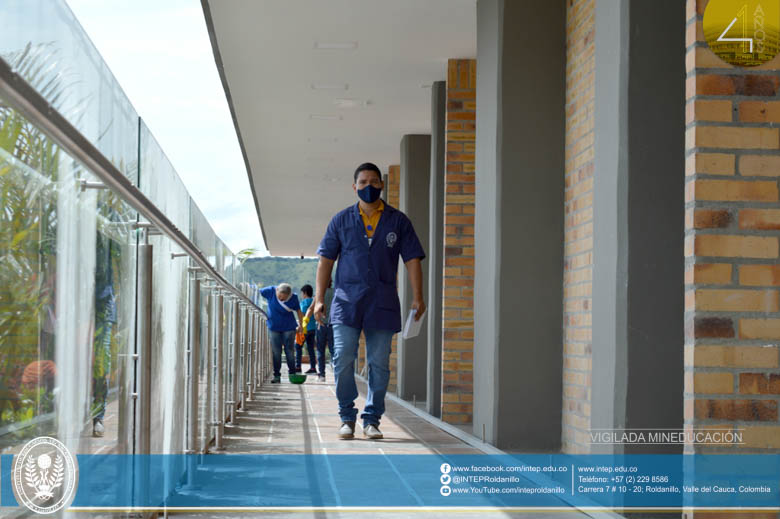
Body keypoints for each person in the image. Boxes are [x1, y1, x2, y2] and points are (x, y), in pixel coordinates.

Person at [314, 162, 426, 440]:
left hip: (383, 300)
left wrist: (418, 296)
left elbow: (412, 258)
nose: (369, 186)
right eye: (363, 182)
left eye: (374, 181)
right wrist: (319, 299)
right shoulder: (340, 220)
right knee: (342, 358)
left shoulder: (398, 221)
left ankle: (372, 418)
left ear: (382, 185)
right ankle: (346, 416)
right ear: (354, 187)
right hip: (345, 301)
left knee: (379, 363)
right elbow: (325, 260)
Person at [260, 283, 304, 383]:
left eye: (284, 299)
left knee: (290, 351)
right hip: (273, 327)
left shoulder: (293, 297)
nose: (281, 299)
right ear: (277, 291)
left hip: (289, 327)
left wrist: (301, 325)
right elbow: (256, 292)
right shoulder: (270, 291)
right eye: (279, 297)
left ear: (289, 295)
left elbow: (298, 311)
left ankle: (292, 374)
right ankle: (276, 375)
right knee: (276, 352)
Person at [304, 278, 334, 382]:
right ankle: (337, 371)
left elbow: (311, 309)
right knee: (334, 350)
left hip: (320, 325)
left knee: (320, 350)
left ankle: (322, 375)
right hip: (333, 325)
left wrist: (305, 322)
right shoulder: (336, 292)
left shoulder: (319, 295)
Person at [297, 284, 318, 374]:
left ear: (305, 293)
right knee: (310, 348)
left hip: (305, 328)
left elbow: (301, 314)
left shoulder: (304, 302)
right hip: (313, 328)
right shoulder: (314, 301)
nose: (302, 295)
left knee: (298, 346)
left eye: (302, 293)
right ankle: (313, 368)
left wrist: (299, 325)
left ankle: (298, 366)